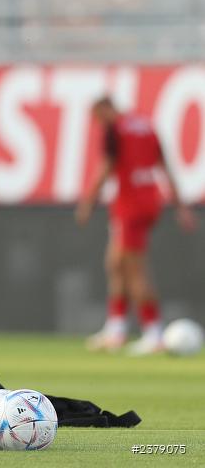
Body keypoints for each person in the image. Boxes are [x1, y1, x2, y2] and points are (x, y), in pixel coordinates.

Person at [76, 96, 195, 355]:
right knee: (116, 263)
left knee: (134, 269)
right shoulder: (146, 126)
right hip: (149, 200)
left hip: (130, 205)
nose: (98, 124)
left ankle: (154, 333)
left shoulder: (115, 129)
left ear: (104, 110)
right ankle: (116, 329)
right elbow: (165, 167)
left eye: (97, 118)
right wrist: (180, 206)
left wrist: (88, 202)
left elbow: (105, 168)